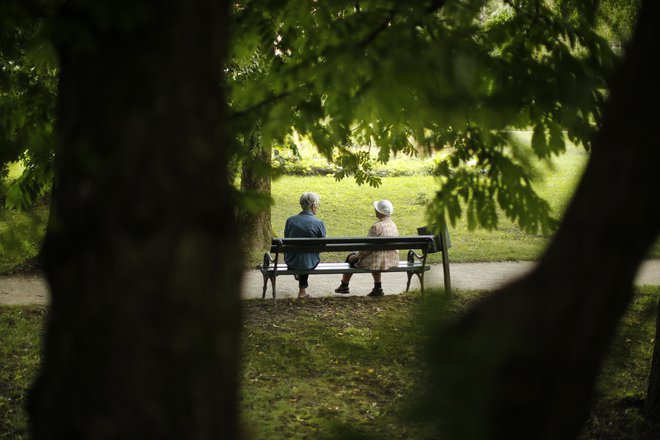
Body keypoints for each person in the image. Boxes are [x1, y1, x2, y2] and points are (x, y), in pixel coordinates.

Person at [335, 200, 399, 297]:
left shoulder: (376, 227)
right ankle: (378, 287)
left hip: (378, 261)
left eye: (376, 209)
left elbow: (366, 248)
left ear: (380, 212)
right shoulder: (393, 225)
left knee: (350, 257)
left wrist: (356, 257)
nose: (375, 210)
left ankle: (344, 285)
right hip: (391, 260)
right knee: (376, 256)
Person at [284, 192, 326, 299]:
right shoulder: (318, 223)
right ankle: (302, 292)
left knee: (302, 256)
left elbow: (287, 239)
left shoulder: (290, 221)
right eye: (317, 205)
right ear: (312, 206)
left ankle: (299, 277)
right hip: (310, 262)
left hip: (291, 260)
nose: (317, 207)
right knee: (306, 257)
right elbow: (323, 244)